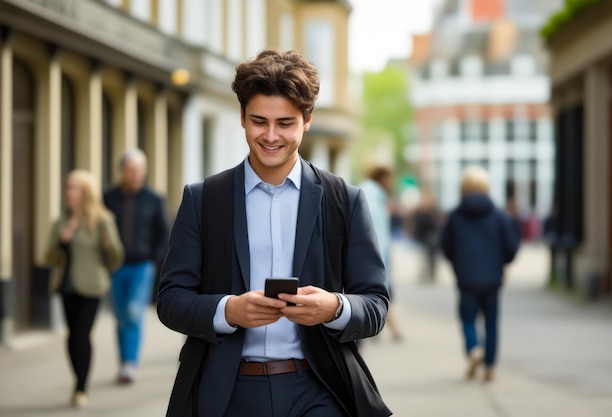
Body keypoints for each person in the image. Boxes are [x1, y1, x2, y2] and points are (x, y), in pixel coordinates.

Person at [157, 49, 391, 417]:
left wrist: (334, 307)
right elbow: (170, 300)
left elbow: (376, 304)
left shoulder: (345, 199)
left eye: (285, 123)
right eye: (259, 121)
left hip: (320, 388)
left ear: (307, 120)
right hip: (229, 392)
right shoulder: (202, 200)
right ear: (241, 118)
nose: (270, 136)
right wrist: (228, 310)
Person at [46, 170, 124, 407]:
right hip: (66, 285)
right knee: (72, 336)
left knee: (82, 334)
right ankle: (77, 380)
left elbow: (115, 259)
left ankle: (81, 387)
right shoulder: (61, 221)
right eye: (68, 188)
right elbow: (49, 257)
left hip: (92, 286)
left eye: (74, 188)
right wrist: (62, 241)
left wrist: (108, 246)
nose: (69, 193)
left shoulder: (102, 219)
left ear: (86, 193)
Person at [439, 166, 519, 383]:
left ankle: (474, 348)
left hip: (466, 277)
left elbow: (445, 245)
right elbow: (512, 246)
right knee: (491, 321)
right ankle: (490, 367)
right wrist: (503, 262)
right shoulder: (499, 215)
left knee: (467, 318)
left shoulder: (455, 216)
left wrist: (458, 262)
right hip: (493, 278)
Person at [103, 148, 170, 384]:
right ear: (122, 171)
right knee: (121, 315)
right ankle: (124, 361)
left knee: (133, 311)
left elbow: (164, 233)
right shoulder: (108, 198)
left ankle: (130, 363)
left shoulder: (154, 199)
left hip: (142, 266)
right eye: (130, 170)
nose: (134, 175)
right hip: (115, 267)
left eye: (139, 170)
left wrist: (155, 259)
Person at [358, 164, 403, 341]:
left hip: (373, 256)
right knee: (379, 293)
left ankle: (379, 327)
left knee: (379, 294)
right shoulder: (371, 197)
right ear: (382, 179)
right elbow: (375, 234)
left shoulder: (372, 195)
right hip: (374, 258)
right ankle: (382, 327)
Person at [411, 191, 440, 282]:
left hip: (432, 238)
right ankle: (425, 274)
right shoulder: (420, 213)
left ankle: (431, 273)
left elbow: (437, 225)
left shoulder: (434, 212)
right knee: (424, 257)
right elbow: (417, 226)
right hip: (423, 238)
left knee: (432, 258)